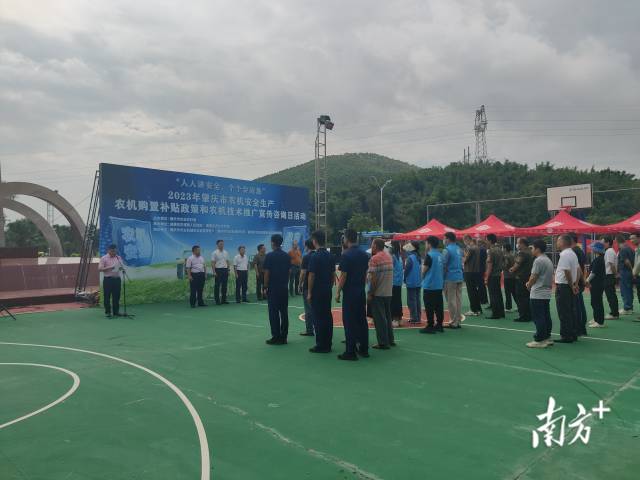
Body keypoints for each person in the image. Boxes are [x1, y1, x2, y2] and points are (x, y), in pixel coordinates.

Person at [336, 229, 371, 361]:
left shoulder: (346, 255)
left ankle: (350, 351)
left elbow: (343, 275)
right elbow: (366, 273)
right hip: (360, 291)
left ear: (346, 238)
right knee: (361, 320)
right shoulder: (364, 255)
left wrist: (338, 292)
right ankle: (364, 349)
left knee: (349, 321)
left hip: (350, 292)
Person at [307, 230, 335, 353]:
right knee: (327, 316)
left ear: (314, 241)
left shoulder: (315, 256)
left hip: (317, 291)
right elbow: (333, 275)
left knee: (318, 318)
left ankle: (321, 344)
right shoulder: (330, 256)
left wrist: (309, 292)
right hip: (327, 290)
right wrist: (329, 286)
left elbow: (311, 275)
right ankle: (328, 343)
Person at [525, 239, 554, 348]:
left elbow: (534, 276)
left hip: (538, 292)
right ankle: (547, 337)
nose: (531, 250)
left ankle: (540, 339)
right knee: (546, 316)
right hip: (546, 292)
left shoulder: (538, 261)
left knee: (538, 317)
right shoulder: (548, 260)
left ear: (537, 249)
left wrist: (528, 285)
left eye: (532, 248)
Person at [263, 234, 291, 345]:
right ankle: (284, 337)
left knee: (273, 313)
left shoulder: (269, 256)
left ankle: (276, 336)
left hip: (273, 288)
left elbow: (267, 272)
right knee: (284, 312)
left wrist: (265, 286)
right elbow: (289, 271)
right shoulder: (287, 256)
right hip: (283, 287)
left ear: (272, 243)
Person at [368, 238, 395, 348]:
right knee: (388, 317)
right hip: (388, 292)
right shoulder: (389, 257)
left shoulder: (374, 259)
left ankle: (383, 342)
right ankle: (390, 339)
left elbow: (373, 279)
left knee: (379, 319)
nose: (371, 247)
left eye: (372, 245)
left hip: (378, 293)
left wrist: (370, 293)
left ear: (375, 246)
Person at [554, 234, 580, 344]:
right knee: (571, 311)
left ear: (563, 242)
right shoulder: (573, 253)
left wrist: (572, 285)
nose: (556, 243)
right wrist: (575, 284)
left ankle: (566, 335)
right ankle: (573, 333)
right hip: (569, 285)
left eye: (558, 241)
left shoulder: (564, 254)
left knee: (564, 312)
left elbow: (567, 271)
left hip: (564, 286)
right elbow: (578, 270)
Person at [420, 236, 445, 334]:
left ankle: (430, 325)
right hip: (439, 284)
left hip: (430, 284)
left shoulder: (429, 255)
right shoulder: (440, 255)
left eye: (426, 243)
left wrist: (422, 277)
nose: (425, 245)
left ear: (429, 244)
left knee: (429, 306)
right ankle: (439, 325)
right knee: (439, 306)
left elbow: (424, 271)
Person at [443, 232, 464, 329]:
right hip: (459, 276)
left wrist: (442, 277)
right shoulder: (459, 249)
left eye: (444, 238)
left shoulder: (447, 250)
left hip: (450, 277)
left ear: (448, 239)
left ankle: (453, 321)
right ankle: (458, 321)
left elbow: (443, 265)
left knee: (451, 300)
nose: (443, 240)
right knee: (458, 300)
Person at [510, 237, 533, 323]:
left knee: (521, 298)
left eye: (518, 243)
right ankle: (529, 315)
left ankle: (523, 316)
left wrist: (511, 269)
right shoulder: (530, 252)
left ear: (522, 244)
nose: (517, 245)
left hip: (521, 278)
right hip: (528, 277)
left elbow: (517, 264)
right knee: (527, 297)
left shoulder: (522, 253)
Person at [570, 234, 588, 336]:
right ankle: (582, 328)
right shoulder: (580, 251)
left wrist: (576, 282)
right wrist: (583, 280)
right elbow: (583, 267)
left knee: (576, 306)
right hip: (579, 281)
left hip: (576, 281)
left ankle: (579, 328)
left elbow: (578, 268)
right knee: (579, 305)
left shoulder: (573, 252)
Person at [98, 244, 123, 318]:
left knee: (116, 296)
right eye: (112, 251)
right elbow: (100, 269)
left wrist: (120, 268)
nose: (114, 253)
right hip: (108, 279)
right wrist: (110, 267)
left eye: (115, 251)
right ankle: (108, 312)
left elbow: (120, 267)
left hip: (117, 279)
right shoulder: (104, 258)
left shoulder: (118, 257)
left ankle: (116, 312)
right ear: (108, 250)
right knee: (107, 296)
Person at [586, 242, 607, 328]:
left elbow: (593, 273)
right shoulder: (599, 259)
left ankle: (599, 321)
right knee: (595, 302)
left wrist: (587, 281)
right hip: (597, 283)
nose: (592, 249)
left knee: (596, 302)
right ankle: (596, 319)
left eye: (593, 248)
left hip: (597, 284)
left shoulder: (599, 260)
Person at [485, 233, 505, 319]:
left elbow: (490, 265)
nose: (486, 241)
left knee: (493, 295)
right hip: (498, 274)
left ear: (490, 240)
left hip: (493, 275)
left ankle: (495, 313)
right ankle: (501, 312)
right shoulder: (500, 249)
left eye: (486, 240)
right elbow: (503, 262)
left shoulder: (491, 250)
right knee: (498, 294)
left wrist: (486, 277)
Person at [299, 239, 316, 336]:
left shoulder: (306, 257)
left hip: (307, 286)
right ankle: (318, 328)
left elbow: (303, 273)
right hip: (318, 286)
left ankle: (309, 330)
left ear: (307, 246)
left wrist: (299, 284)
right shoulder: (318, 255)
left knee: (308, 308)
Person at [462, 235, 482, 316]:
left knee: (471, 291)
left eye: (464, 240)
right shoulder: (477, 248)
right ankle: (478, 309)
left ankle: (473, 310)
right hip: (476, 271)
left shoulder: (469, 248)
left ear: (467, 239)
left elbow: (465, 260)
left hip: (469, 271)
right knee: (475, 291)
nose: (464, 242)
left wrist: (462, 256)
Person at [404, 241, 422, 324]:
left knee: (411, 301)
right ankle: (418, 317)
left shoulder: (410, 258)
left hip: (411, 281)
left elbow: (407, 270)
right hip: (418, 281)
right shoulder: (419, 257)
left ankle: (414, 317)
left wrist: (404, 278)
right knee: (417, 300)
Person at [601, 236, 619, 320]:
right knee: (611, 295)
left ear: (608, 243)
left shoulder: (609, 251)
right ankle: (614, 312)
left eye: (603, 242)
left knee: (611, 295)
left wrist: (615, 275)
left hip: (609, 275)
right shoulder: (609, 251)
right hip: (609, 275)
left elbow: (611, 265)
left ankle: (614, 314)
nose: (602, 244)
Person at [617, 234, 635, 315]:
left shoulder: (623, 249)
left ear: (617, 241)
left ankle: (627, 308)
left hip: (625, 271)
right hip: (629, 272)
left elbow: (626, 261)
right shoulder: (630, 248)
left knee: (625, 290)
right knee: (629, 289)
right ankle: (629, 307)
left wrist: (632, 270)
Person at [211, 239, 230, 305]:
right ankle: (217, 301)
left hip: (225, 270)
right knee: (217, 286)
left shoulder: (226, 252)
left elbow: (227, 261)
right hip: (218, 270)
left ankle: (223, 300)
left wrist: (228, 270)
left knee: (224, 286)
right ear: (217, 245)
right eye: (220, 244)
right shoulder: (214, 253)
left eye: (222, 244)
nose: (222, 245)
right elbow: (213, 263)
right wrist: (214, 272)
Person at [390, 241, 404, 327]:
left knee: (394, 301)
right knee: (398, 300)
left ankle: (395, 319)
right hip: (398, 282)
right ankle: (399, 319)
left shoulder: (393, 257)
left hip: (393, 282)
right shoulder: (399, 256)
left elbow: (390, 269)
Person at [503, 243, 517, 312]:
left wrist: (501, 266)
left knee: (507, 293)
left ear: (505, 249)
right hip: (513, 276)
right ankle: (519, 306)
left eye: (503, 248)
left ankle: (508, 307)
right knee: (514, 292)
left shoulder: (506, 256)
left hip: (507, 276)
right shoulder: (513, 255)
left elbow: (506, 265)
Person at [478, 239, 489, 306]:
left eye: (478, 242)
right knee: (481, 285)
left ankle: (483, 299)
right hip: (482, 268)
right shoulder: (484, 249)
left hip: (480, 269)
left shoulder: (482, 249)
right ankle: (483, 299)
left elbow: (479, 259)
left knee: (481, 285)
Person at [632, 234, 640, 321]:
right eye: (630, 239)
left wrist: (634, 272)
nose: (631, 240)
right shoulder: (637, 249)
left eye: (633, 238)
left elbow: (639, 263)